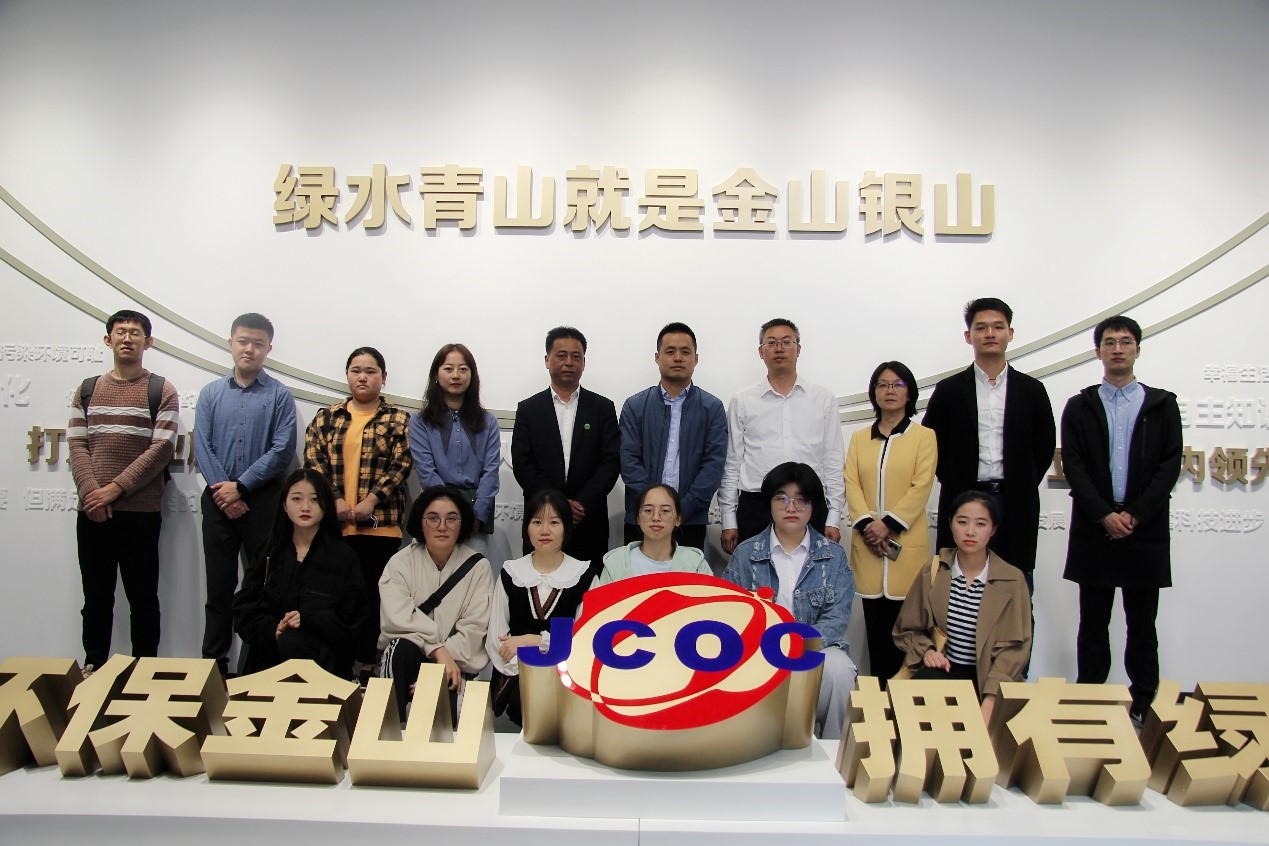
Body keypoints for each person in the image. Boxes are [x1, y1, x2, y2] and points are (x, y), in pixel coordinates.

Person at [1060, 315, 1181, 724]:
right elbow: (1074, 465)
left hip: (1144, 530)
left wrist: (1135, 514)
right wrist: (1104, 514)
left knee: (1142, 626)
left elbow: (1169, 465)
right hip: (1095, 529)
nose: (1117, 349)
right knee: (1093, 624)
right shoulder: (1080, 405)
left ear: (1137, 350)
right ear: (1098, 351)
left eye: (1126, 341)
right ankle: (1089, 703)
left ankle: (1143, 703)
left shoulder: (1161, 405)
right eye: (1109, 342)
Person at [68, 309, 179, 675]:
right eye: (120, 332)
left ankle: (144, 670)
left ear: (148, 342)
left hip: (140, 512)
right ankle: (93, 665)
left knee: (143, 598)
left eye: (135, 333)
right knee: (96, 597)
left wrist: (114, 489)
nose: (127, 338)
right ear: (108, 340)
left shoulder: (161, 390)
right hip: (93, 512)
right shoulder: (87, 390)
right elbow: (77, 445)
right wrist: (92, 494)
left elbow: (161, 448)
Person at [921, 298, 1056, 596]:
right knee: (957, 592)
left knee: (1015, 590)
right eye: (981, 328)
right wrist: (956, 480)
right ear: (968, 336)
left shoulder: (1031, 390)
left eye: (998, 327)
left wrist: (1021, 482)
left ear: (1010, 333)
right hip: (963, 499)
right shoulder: (949, 390)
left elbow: (1044, 445)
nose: (990, 334)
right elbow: (931, 446)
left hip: (1015, 501)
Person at [722, 462, 857, 739]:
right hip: (758, 649)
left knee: (839, 671)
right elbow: (731, 612)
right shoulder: (746, 553)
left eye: (801, 499)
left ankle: (833, 751)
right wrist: (770, 645)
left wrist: (797, 644)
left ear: (813, 506)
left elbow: (836, 619)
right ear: (769, 504)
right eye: (781, 498)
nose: (791, 507)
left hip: (818, 647)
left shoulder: (833, 556)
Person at [195, 312, 298, 676]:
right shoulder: (210, 393)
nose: (249, 349)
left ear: (268, 348)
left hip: (263, 501)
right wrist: (225, 492)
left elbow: (282, 450)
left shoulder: (279, 395)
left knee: (263, 586)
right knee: (219, 587)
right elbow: (201, 446)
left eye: (258, 343)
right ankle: (214, 666)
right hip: (217, 501)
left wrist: (241, 487)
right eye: (243, 341)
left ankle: (258, 665)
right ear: (231, 343)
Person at [303, 347, 412, 681]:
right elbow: (314, 461)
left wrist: (372, 500)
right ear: (348, 375)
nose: (363, 377)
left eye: (371, 371)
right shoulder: (326, 417)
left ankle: (368, 664)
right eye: (356, 370)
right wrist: (334, 500)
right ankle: (336, 666)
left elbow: (401, 464)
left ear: (383, 377)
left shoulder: (397, 419)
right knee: (337, 597)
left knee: (373, 597)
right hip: (334, 526)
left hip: (380, 526)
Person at [893, 490, 1031, 724]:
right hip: (944, 673)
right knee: (913, 718)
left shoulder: (1012, 579)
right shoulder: (934, 570)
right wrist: (927, 651)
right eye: (962, 522)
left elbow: (1015, 649)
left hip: (989, 679)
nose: (970, 531)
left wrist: (990, 699)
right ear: (950, 524)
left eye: (981, 524)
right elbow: (907, 628)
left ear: (993, 529)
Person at [843, 361, 937, 684]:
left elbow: (921, 486)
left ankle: (904, 706)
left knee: (908, 636)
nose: (890, 391)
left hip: (905, 549)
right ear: (874, 393)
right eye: (883, 385)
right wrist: (869, 525)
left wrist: (889, 524)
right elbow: (851, 483)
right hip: (870, 547)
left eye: (898, 385)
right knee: (876, 636)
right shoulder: (859, 438)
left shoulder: (924, 437)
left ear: (909, 392)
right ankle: (879, 704)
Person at [719, 318, 845, 554]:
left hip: (808, 502)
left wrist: (834, 517)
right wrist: (728, 519)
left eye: (787, 342)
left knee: (809, 574)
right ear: (761, 352)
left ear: (798, 349)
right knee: (754, 575)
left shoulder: (823, 398)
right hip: (757, 505)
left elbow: (833, 460)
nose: (779, 348)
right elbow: (732, 462)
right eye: (771, 343)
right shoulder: (742, 400)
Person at [232, 469, 363, 678]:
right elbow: (245, 609)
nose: (305, 507)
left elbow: (353, 620)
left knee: (292, 640)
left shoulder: (343, 557)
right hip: (268, 658)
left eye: (314, 499)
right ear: (284, 505)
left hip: (323, 665)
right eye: (296, 499)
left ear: (326, 506)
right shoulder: (268, 552)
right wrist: (273, 629)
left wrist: (308, 620)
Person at [379, 486, 493, 724]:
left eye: (451, 519)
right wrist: (436, 650)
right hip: (408, 659)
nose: (442, 526)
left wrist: (436, 669)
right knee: (400, 648)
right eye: (433, 518)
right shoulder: (400, 563)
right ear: (421, 523)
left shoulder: (478, 567)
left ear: (462, 524)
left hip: (455, 663)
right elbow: (398, 618)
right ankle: (388, 734)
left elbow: (474, 630)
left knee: (444, 723)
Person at [510, 326, 620, 569]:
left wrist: (582, 504)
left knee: (588, 588)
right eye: (561, 355)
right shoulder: (529, 409)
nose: (569, 362)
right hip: (542, 520)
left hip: (588, 522)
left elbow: (610, 462)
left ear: (584, 362)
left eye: (576, 356)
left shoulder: (602, 408)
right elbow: (522, 462)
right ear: (547, 360)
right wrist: (556, 504)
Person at [487, 489, 599, 726]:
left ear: (566, 528)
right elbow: (498, 640)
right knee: (527, 701)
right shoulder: (511, 573)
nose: (544, 530)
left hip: (569, 675)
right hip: (518, 674)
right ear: (527, 527)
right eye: (537, 522)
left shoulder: (585, 576)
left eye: (554, 522)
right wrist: (529, 669)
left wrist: (533, 640)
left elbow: (585, 640)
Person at [618, 322, 727, 551]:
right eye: (670, 351)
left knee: (686, 575)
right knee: (638, 575)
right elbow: (628, 461)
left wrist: (680, 511)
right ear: (657, 357)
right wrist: (653, 509)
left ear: (696, 358)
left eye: (685, 352)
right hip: (641, 519)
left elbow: (713, 465)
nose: (678, 357)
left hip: (690, 520)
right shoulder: (634, 406)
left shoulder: (712, 408)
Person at [409, 343, 501, 557]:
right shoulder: (420, 421)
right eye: (448, 369)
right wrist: (448, 514)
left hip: (475, 517)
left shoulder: (488, 422)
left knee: (474, 573)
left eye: (463, 369)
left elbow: (491, 472)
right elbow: (426, 472)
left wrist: (474, 517)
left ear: (472, 375)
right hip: (435, 512)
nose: (456, 375)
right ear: (436, 374)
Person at [599, 484, 713, 584]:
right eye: (648, 510)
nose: (656, 517)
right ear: (638, 519)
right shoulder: (616, 563)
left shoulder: (695, 563)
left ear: (678, 519)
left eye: (665, 510)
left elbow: (710, 601)